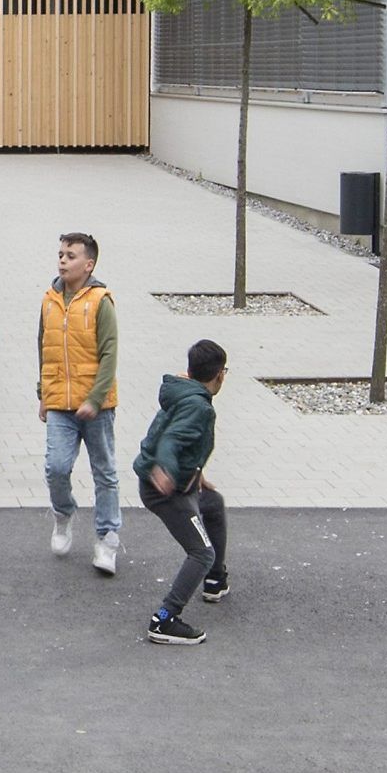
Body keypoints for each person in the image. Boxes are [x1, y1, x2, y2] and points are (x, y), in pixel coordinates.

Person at [38, 230, 123, 575]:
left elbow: (110, 353)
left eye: (70, 256)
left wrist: (96, 398)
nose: (62, 260)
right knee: (56, 468)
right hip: (60, 402)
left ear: (89, 264)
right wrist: (43, 394)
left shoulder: (101, 300)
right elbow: (44, 347)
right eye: (61, 254)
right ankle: (63, 513)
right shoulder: (49, 300)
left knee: (104, 472)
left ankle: (107, 539)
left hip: (97, 406)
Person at [136, 339, 231, 648]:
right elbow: (173, 438)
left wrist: (196, 472)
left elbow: (183, 437)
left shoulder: (184, 391)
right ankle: (164, 618)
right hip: (165, 490)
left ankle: (214, 580)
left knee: (212, 504)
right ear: (219, 375)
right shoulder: (198, 406)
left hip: (179, 482)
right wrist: (165, 468)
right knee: (202, 552)